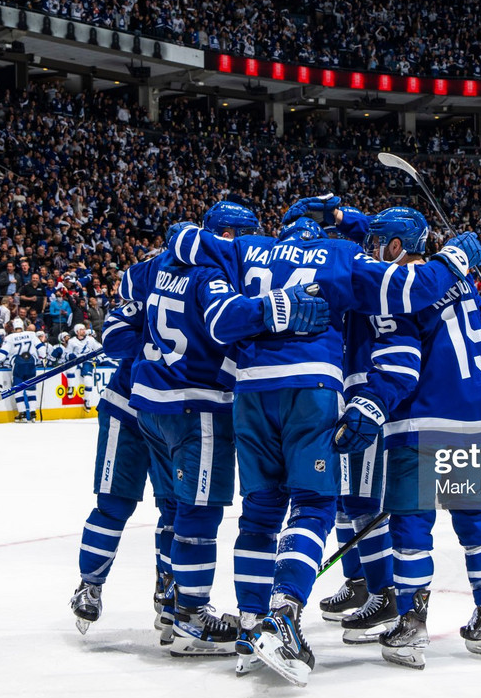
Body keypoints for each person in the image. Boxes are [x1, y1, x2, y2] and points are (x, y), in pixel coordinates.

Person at [165, 195, 481, 686]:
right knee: (315, 506)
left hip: (250, 390)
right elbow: (410, 286)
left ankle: (252, 628)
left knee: (260, 512)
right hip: (312, 387)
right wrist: (456, 257)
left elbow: (185, 244)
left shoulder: (248, 248)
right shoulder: (341, 254)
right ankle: (285, 616)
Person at [133, 203, 329, 658]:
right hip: (196, 401)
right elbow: (228, 321)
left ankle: (170, 601)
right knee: (199, 516)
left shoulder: (162, 264)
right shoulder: (211, 274)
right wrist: (278, 306)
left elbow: (130, 293)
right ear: (227, 235)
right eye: (243, 237)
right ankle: (190, 619)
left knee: (175, 509)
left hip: (152, 402)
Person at [330, 207, 481, 669]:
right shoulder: (463, 284)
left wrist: (371, 405)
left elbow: (401, 361)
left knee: (411, 524)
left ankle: (413, 626)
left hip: (419, 424)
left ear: (396, 246)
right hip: (470, 423)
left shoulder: (398, 293)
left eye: (378, 242)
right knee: (475, 518)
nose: (371, 250)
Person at [70, 239, 182, 639]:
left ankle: (168, 590)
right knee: (114, 503)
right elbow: (114, 337)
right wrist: (153, 341)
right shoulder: (149, 281)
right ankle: (90, 584)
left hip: (172, 413)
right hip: (128, 408)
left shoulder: (207, 286)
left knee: (174, 508)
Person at [0, 318, 44, 421]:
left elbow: (4, 352)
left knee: (18, 390)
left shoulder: (10, 337)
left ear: (13, 327)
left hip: (18, 365)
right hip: (31, 363)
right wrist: (43, 357)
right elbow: (40, 347)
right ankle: (33, 412)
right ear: (23, 326)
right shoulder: (31, 334)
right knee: (31, 388)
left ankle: (22, 413)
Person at [67, 323, 102, 409]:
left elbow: (100, 349)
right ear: (77, 332)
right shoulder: (72, 341)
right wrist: (70, 356)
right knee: (70, 369)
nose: (84, 330)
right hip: (76, 361)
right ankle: (71, 388)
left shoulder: (91, 340)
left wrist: (98, 359)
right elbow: (66, 353)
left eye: (84, 329)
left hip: (87, 361)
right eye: (81, 329)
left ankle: (87, 400)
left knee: (88, 380)